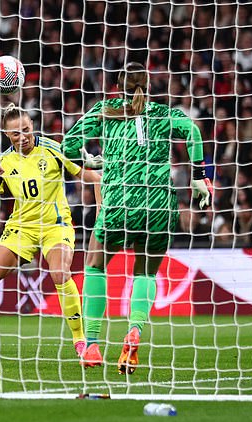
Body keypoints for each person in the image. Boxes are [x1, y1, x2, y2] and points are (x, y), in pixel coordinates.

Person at [61, 62, 212, 374]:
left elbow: (68, 145)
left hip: (119, 200)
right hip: (158, 203)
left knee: (95, 263)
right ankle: (135, 332)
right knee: (145, 272)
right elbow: (194, 132)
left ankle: (90, 344)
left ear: (119, 86)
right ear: (149, 87)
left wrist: (89, 160)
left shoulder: (106, 109)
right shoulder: (163, 113)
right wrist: (198, 175)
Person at [0, 104, 102, 357]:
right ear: (7, 136)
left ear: (32, 126)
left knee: (59, 272)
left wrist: (100, 214)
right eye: (15, 134)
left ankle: (80, 341)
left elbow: (91, 177)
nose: (23, 137)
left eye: (25, 130)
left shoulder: (53, 148)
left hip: (56, 226)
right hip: (21, 228)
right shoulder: (3, 163)